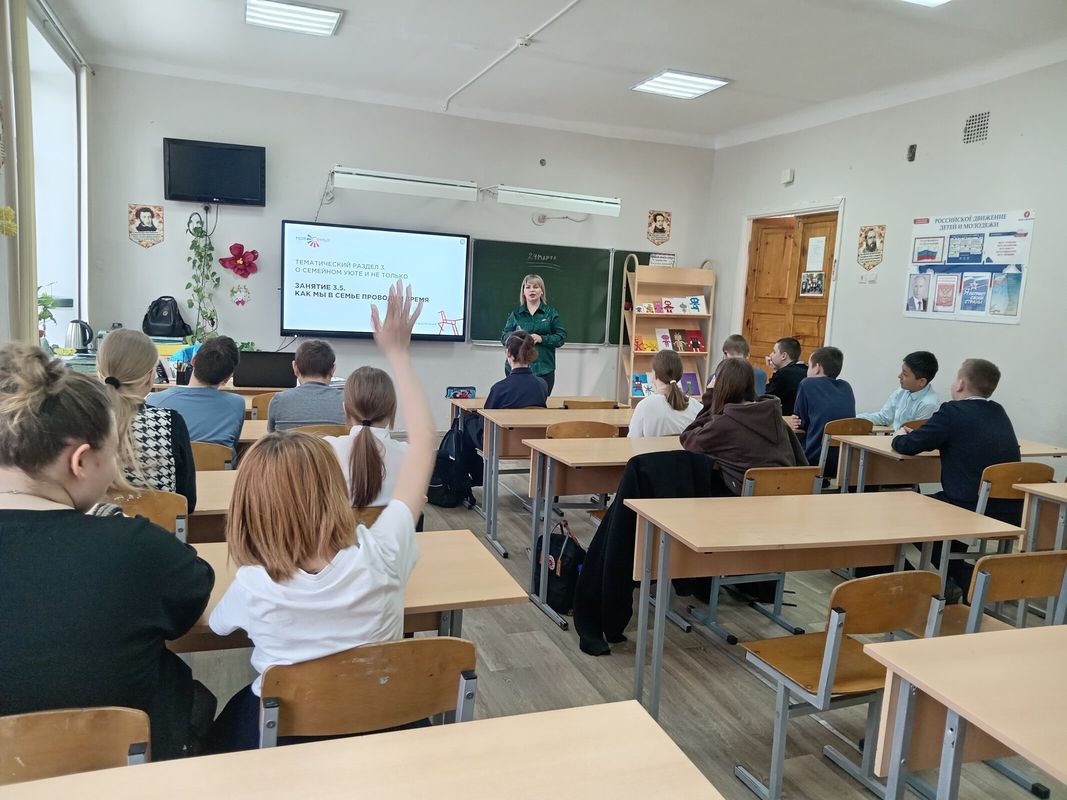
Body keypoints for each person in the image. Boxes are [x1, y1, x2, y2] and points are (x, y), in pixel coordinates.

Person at [207, 280, 434, 752]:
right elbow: (423, 448)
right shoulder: (382, 555)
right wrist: (398, 354)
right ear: (333, 491)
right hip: (384, 721)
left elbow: (219, 626)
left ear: (253, 510)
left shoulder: (252, 583)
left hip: (286, 736)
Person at [0, 343, 214, 760]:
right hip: (128, 768)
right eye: (112, 454)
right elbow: (193, 596)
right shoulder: (137, 549)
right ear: (81, 462)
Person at [891, 358, 1020, 592]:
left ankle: (952, 576)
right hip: (1010, 510)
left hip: (968, 507)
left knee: (902, 511)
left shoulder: (952, 411)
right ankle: (960, 575)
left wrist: (900, 436)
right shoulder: (998, 411)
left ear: (960, 384)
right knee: (937, 507)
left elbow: (909, 446)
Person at [97, 328, 197, 510]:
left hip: (93, 527)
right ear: (150, 376)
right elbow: (187, 503)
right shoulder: (170, 423)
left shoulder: (80, 423)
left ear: (99, 372)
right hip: (159, 527)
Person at [680, 358, 807, 495]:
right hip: (788, 494)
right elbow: (800, 460)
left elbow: (688, 439)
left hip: (748, 497)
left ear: (720, 385)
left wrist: (711, 397)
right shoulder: (775, 417)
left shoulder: (724, 424)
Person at [147, 336, 245, 455]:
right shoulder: (237, 404)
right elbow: (234, 443)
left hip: (173, 466)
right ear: (228, 377)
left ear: (193, 360)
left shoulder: (155, 401)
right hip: (217, 466)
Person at [324, 366, 405, 507]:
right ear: (392, 410)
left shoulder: (326, 450)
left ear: (345, 409)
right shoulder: (410, 455)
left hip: (340, 522)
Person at [466, 330, 548, 448]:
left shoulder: (499, 388)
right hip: (533, 444)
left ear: (508, 353)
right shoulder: (542, 384)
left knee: (467, 421)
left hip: (500, 445)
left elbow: (485, 420)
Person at [789, 346, 856, 474]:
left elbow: (801, 422)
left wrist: (798, 421)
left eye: (809, 366)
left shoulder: (807, 383)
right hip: (844, 461)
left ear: (817, 368)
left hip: (815, 459)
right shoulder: (846, 386)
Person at [500, 274, 566, 395]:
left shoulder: (551, 313)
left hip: (544, 369)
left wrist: (542, 338)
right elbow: (504, 337)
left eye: (536, 287)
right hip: (516, 369)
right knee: (516, 402)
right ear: (523, 292)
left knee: (539, 403)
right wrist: (518, 337)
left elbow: (561, 337)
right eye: (528, 287)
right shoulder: (516, 314)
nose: (532, 290)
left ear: (542, 291)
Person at [267, 339, 344, 432]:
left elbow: (272, 437)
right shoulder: (347, 402)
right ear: (333, 370)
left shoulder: (279, 401)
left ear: (295, 367)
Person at [857, 351, 940, 430]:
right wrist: (854, 418)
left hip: (906, 439)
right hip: (896, 437)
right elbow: (884, 417)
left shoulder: (929, 404)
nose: (899, 376)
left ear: (921, 381)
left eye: (905, 374)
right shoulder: (902, 390)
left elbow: (917, 435)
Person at [628, 349, 700, 438]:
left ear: (655, 375)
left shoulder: (645, 405)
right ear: (680, 375)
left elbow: (632, 439)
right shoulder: (697, 406)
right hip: (685, 447)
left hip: (652, 447)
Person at [764, 336, 807, 415]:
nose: (770, 355)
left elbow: (768, 398)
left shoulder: (782, 374)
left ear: (783, 356)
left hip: (784, 418)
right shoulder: (806, 370)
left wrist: (775, 371)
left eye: (774, 352)